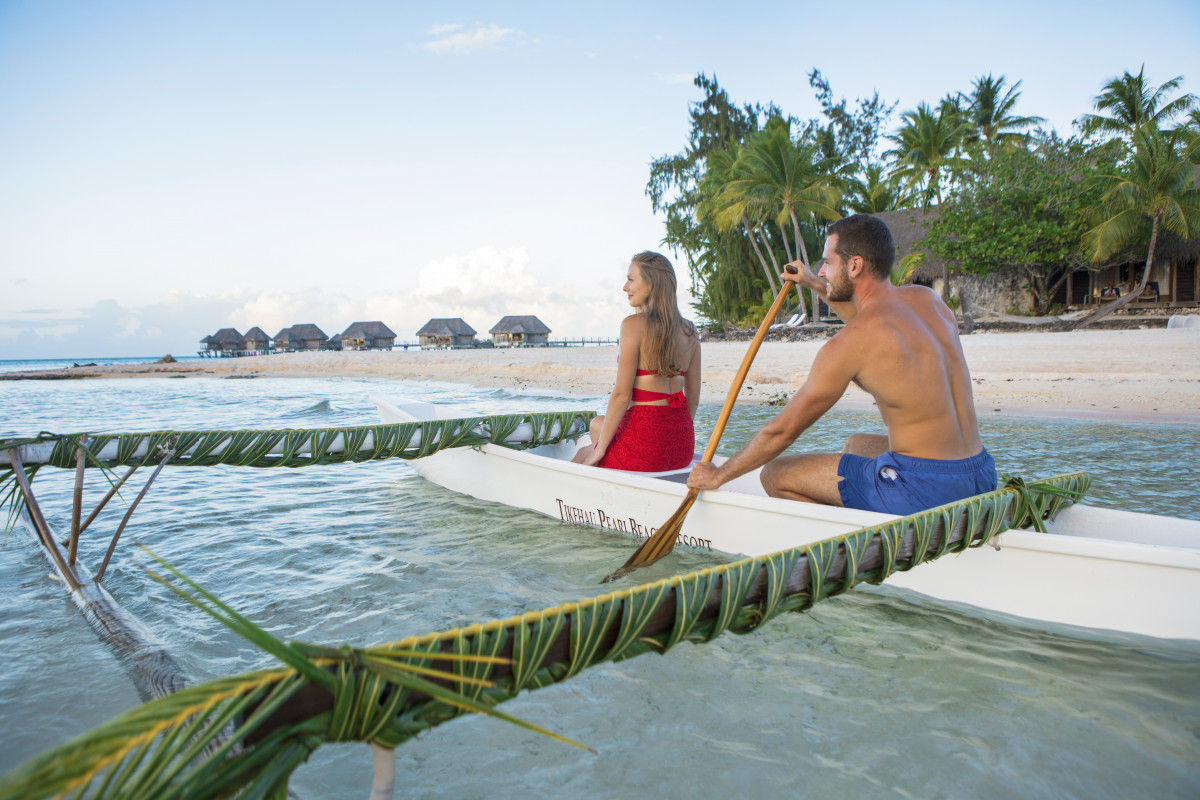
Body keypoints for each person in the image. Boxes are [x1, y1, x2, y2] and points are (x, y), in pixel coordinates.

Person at [687, 214, 995, 515]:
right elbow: (872, 323)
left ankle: (857, 548)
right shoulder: (928, 301)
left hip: (924, 489)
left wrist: (718, 475)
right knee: (856, 445)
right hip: (980, 473)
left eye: (828, 263)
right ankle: (874, 507)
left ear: (855, 265)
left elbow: (781, 433)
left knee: (774, 475)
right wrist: (811, 283)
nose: (821, 271)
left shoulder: (850, 343)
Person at [574, 251, 701, 471]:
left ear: (651, 284)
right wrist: (673, 432)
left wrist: (600, 450)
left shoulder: (633, 325)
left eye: (631, 279)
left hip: (644, 447)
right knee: (596, 425)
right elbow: (694, 396)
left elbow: (622, 396)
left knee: (582, 453)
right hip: (682, 446)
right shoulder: (690, 330)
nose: (625, 287)